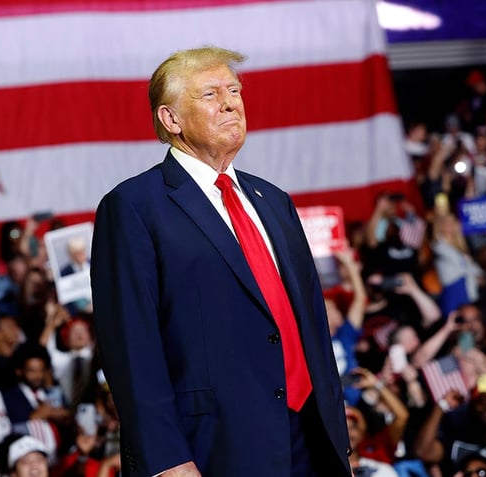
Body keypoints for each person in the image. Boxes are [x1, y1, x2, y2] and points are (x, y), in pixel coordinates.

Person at [91, 46, 350, 476]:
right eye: (210, 94)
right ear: (170, 119)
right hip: (213, 449)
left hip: (310, 442)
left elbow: (314, 334)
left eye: (234, 89)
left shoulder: (274, 201)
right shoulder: (133, 207)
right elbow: (131, 348)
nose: (231, 101)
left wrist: (339, 448)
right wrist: (166, 460)